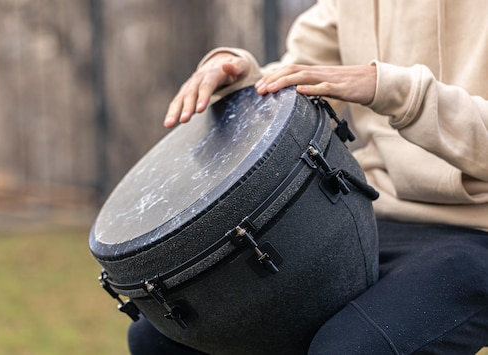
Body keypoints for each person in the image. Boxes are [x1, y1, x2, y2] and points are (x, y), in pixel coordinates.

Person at [129, 0, 488, 354]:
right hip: (372, 211)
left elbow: (383, 87)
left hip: (475, 232)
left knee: (350, 348)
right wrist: (241, 74)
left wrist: (395, 89)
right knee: (161, 337)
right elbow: (296, 76)